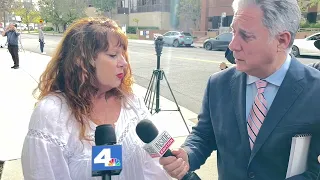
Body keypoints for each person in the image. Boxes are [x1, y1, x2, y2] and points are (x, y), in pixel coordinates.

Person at [159, 0, 320, 179]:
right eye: (233, 32)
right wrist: (187, 155)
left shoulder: (315, 89)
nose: (232, 45)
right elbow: (204, 134)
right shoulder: (218, 84)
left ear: (282, 40)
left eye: (246, 35)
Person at [21, 17, 171, 180]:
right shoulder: (52, 115)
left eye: (123, 54)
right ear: (82, 61)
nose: (124, 63)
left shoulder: (132, 101)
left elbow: (155, 161)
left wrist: (173, 162)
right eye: (113, 55)